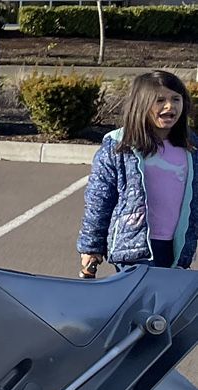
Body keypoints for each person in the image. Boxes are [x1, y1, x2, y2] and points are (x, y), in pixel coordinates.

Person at [78, 69, 197, 276]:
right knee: (141, 305)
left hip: (176, 247)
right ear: (141, 104)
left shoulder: (191, 146)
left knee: (166, 305)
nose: (170, 106)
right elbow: (99, 199)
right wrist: (91, 246)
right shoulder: (119, 145)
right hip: (134, 248)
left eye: (176, 99)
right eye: (159, 100)